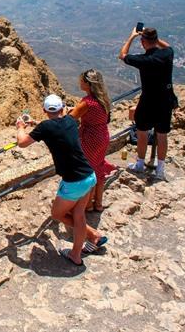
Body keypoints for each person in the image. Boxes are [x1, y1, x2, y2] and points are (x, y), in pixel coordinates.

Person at [16, 94, 107, 266]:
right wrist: (36, 125)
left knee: (57, 214)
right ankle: (90, 240)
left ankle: (80, 250)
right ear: (63, 108)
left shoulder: (45, 128)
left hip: (74, 181)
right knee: (78, 215)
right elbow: (57, 126)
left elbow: (22, 143)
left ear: (44, 110)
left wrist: (21, 127)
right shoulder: (71, 121)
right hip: (89, 175)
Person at [118, 26, 175, 181]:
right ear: (156, 40)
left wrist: (132, 37)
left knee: (142, 133)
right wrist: (155, 39)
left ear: (143, 42)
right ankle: (160, 170)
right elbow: (168, 46)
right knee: (162, 135)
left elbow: (122, 55)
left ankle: (140, 164)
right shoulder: (167, 54)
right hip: (165, 101)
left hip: (148, 101)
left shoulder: (144, 60)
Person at [69, 69, 117, 212]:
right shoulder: (104, 99)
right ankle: (99, 203)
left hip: (90, 138)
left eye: (82, 81)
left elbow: (70, 119)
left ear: (89, 84)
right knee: (98, 168)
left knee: (88, 171)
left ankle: (88, 205)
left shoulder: (87, 102)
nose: (80, 83)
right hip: (102, 135)